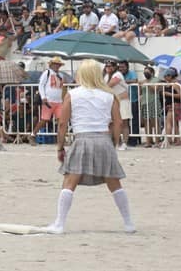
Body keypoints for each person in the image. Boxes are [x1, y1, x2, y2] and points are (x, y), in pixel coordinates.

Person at [46, 59, 134, 234]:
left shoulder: (73, 94)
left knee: (69, 182)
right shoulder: (109, 95)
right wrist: (114, 143)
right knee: (114, 182)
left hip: (82, 138)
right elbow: (118, 122)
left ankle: (60, 223)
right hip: (103, 139)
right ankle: (128, 223)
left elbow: (63, 123)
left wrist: (60, 146)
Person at [31, 56, 66, 145]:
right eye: (55, 64)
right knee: (44, 120)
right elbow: (41, 85)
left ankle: (61, 138)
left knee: (60, 120)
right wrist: (43, 97)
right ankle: (33, 134)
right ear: (51, 65)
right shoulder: (47, 73)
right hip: (49, 100)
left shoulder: (61, 75)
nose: (56, 66)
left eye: (58, 64)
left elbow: (62, 88)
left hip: (58, 101)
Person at [103, 60, 131, 150]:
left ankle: (124, 143)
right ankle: (116, 142)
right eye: (107, 66)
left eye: (111, 66)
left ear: (115, 67)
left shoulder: (117, 74)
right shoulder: (106, 76)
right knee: (113, 122)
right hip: (114, 101)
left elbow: (109, 85)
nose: (108, 67)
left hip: (122, 100)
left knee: (124, 122)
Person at [139, 66, 161, 148]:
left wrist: (147, 84)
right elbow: (141, 91)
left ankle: (157, 141)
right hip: (144, 103)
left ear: (152, 73)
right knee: (146, 122)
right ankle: (148, 141)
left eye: (147, 72)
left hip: (153, 102)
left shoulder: (156, 80)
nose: (146, 74)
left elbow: (154, 89)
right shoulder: (143, 81)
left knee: (155, 122)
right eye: (144, 72)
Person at [161, 68, 181, 146]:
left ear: (170, 76)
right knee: (174, 123)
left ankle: (168, 139)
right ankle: (177, 139)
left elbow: (180, 95)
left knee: (169, 122)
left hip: (174, 105)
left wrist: (168, 94)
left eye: (166, 76)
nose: (164, 78)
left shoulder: (175, 84)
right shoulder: (169, 84)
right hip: (169, 104)